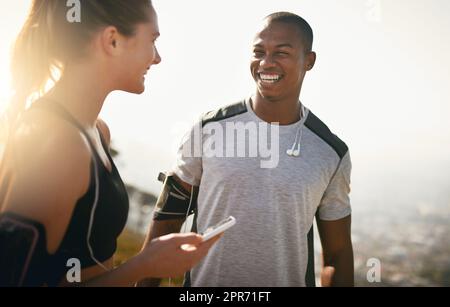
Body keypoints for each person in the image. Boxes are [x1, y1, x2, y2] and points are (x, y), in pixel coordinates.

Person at [0, 0, 219, 287]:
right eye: (152, 40)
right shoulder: (59, 143)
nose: (158, 58)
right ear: (112, 41)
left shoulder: (98, 132)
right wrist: (145, 264)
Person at [141, 12, 354, 287]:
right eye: (259, 51)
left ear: (308, 61)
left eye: (282, 53)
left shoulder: (331, 152)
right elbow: (168, 220)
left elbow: (337, 254)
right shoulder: (208, 127)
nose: (266, 63)